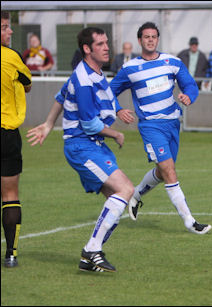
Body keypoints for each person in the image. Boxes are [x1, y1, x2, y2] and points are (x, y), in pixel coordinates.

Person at [28, 27, 137, 273]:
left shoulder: (94, 73)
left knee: (117, 201)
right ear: (87, 49)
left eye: (107, 42)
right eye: (100, 44)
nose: (107, 47)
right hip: (82, 146)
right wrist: (116, 132)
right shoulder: (84, 78)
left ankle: (90, 256)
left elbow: (61, 95)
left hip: (91, 146)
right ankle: (91, 250)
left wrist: (48, 124)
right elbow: (90, 124)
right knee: (126, 189)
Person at [110, 22, 212, 235]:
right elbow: (108, 92)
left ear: (157, 39)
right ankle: (189, 220)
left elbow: (191, 85)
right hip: (150, 126)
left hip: (173, 123)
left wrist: (188, 96)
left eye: (153, 36)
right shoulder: (130, 68)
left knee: (164, 170)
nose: (150, 40)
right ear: (140, 40)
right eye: (146, 36)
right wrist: (118, 110)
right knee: (169, 170)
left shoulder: (171, 62)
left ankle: (136, 194)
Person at [1, 10, 32, 268]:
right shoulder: (12, 57)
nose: (10, 32)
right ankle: (11, 254)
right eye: (4, 27)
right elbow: (28, 83)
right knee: (10, 194)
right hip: (7, 134)